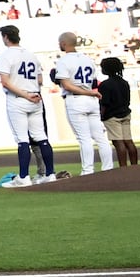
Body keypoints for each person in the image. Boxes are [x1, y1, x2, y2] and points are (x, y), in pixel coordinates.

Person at [0, 25, 52, 186]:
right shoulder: (31, 55)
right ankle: (50, 173)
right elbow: (39, 80)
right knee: (41, 137)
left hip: (18, 99)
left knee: (22, 139)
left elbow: (5, 81)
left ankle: (23, 177)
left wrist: (25, 94)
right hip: (35, 98)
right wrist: (33, 94)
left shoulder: (5, 55)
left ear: (5, 37)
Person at [50, 33, 112, 176]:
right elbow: (95, 82)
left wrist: (88, 92)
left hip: (76, 99)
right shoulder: (87, 59)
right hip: (91, 99)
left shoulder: (63, 61)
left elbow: (66, 85)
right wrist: (90, 92)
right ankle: (108, 168)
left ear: (64, 43)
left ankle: (88, 171)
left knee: (84, 138)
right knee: (100, 137)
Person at [99, 56, 138, 167]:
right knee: (129, 141)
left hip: (112, 116)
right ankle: (135, 166)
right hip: (125, 113)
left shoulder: (105, 85)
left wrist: (101, 116)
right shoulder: (124, 82)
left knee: (118, 142)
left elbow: (104, 103)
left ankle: (123, 168)